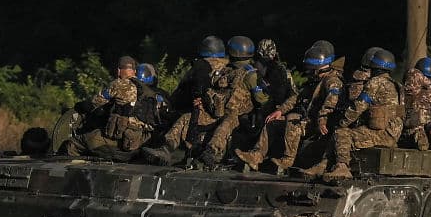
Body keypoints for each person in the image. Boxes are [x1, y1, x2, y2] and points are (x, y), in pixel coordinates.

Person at [235, 40, 343, 173]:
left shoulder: (332, 81)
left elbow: (331, 103)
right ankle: (256, 156)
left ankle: (288, 160)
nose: (307, 70)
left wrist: (322, 119)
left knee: (292, 118)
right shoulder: (315, 81)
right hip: (308, 121)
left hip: (319, 125)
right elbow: (296, 97)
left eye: (310, 67)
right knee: (273, 123)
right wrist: (280, 111)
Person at [303, 48, 404, 181]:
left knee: (341, 132)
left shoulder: (375, 82)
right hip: (392, 133)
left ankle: (342, 166)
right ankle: (324, 164)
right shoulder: (396, 85)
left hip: (383, 134)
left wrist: (342, 122)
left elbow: (358, 106)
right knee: (343, 131)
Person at [142, 36, 229, 165]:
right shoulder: (230, 68)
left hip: (200, 114)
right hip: (226, 115)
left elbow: (181, 94)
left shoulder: (200, 66)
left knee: (181, 118)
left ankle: (166, 148)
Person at [199, 35, 269, 167]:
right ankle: (171, 146)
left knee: (228, 121)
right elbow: (262, 98)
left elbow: (261, 100)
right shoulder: (230, 71)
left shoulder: (245, 73)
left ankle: (212, 151)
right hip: (217, 111)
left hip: (238, 116)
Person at [65, 56, 141, 157]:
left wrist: (80, 105)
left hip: (120, 139)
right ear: (134, 71)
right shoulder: (144, 87)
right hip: (139, 139)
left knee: (74, 143)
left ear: (119, 70)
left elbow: (94, 103)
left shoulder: (119, 84)